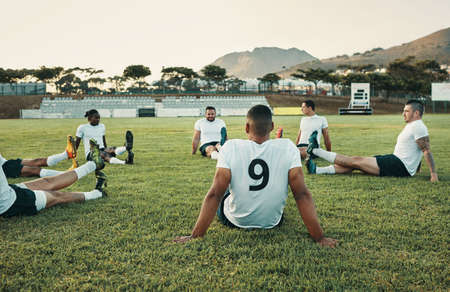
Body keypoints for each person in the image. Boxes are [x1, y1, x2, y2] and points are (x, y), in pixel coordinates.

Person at [175, 105, 337, 247]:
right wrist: (319, 237)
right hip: (272, 222)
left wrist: (194, 235)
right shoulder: (288, 147)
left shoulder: (230, 147)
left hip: (235, 220)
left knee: (223, 190)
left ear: (246, 128)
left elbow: (214, 195)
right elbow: (301, 195)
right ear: (272, 126)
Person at [306, 100, 438, 182]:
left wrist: (433, 174)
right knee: (356, 164)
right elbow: (418, 149)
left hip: (398, 165)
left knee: (356, 161)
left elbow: (426, 150)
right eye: (403, 111)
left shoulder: (418, 126)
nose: (403, 114)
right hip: (396, 162)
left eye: (406, 111)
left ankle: (316, 150)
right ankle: (317, 170)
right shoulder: (414, 125)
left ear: (416, 113)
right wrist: (416, 167)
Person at [0, 139, 107, 218]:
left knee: (47, 181)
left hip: (8, 190)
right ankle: (98, 193)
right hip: (9, 202)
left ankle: (94, 163)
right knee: (57, 196)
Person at [1, 135, 78, 178]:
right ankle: (68, 174)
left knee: (36, 161)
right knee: (35, 170)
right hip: (3, 168)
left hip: (5, 162)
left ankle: (67, 154)